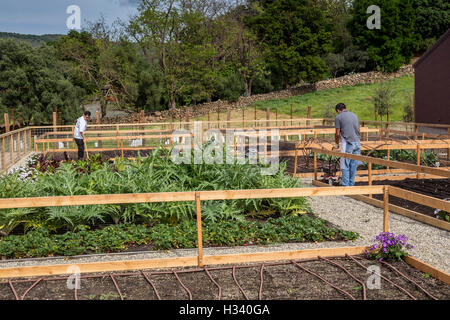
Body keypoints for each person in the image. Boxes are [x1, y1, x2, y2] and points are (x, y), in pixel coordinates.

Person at [334, 103, 361, 186]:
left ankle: (345, 185)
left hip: (347, 142)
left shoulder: (338, 117)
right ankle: (351, 183)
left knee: (344, 164)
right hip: (357, 143)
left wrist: (336, 143)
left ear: (338, 110)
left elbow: (337, 133)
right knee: (354, 164)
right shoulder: (354, 115)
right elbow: (359, 129)